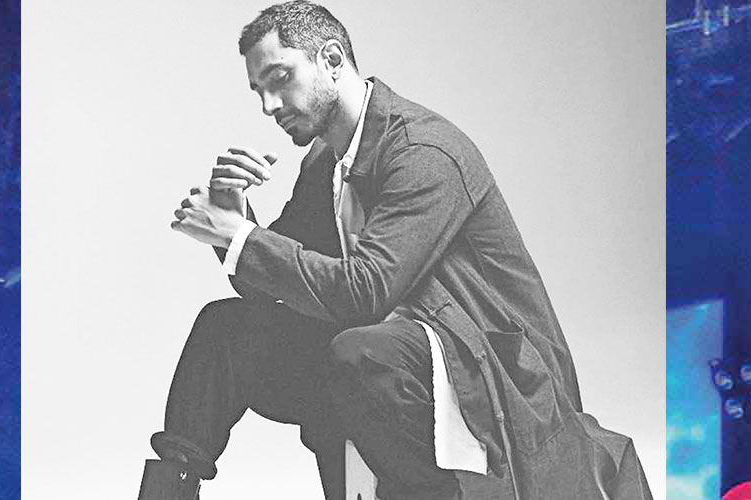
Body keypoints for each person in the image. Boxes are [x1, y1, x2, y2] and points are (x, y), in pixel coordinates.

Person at [138, 2, 653, 499]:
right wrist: (238, 219)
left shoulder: (424, 151)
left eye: (280, 78)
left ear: (331, 59)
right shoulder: (325, 162)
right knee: (225, 331)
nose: (270, 106)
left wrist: (238, 237)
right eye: (259, 91)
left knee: (363, 352)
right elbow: (276, 282)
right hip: (388, 361)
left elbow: (365, 291)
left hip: (488, 372)